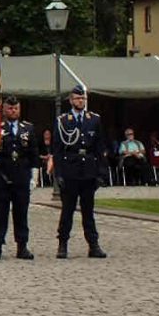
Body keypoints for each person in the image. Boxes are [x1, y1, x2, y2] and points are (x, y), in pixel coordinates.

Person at [51, 86, 108, 259]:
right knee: (67, 211)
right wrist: (58, 174)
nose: (80, 101)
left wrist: (101, 173)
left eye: (82, 98)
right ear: (70, 100)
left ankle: (93, 244)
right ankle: (62, 244)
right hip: (70, 170)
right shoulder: (63, 121)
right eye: (77, 98)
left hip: (88, 170)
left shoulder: (94, 120)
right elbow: (58, 150)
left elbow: (100, 148)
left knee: (88, 211)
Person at [0, 95, 38, 260]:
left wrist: (34, 176)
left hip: (21, 178)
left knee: (21, 214)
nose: (13, 111)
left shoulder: (28, 128)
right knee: (0, 215)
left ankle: (22, 246)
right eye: (10, 108)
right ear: (4, 110)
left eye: (16, 108)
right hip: (1, 178)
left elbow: (33, 154)